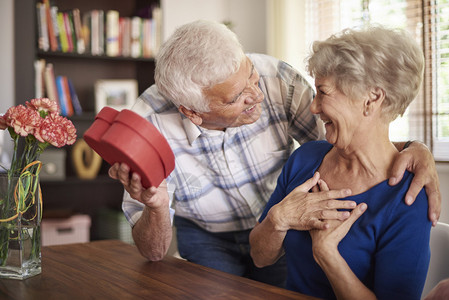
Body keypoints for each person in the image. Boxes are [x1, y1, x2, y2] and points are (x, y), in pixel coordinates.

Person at [108, 20, 440, 287]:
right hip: (211, 236)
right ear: (192, 111)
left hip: (279, 230)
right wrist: (156, 206)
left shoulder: (278, 81)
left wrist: (414, 149)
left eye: (251, 74)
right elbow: (152, 252)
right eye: (237, 96)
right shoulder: (148, 127)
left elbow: (351, 136)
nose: (257, 95)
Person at [249, 26, 432, 299]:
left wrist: (326, 254)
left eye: (323, 92)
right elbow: (260, 258)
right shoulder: (305, 158)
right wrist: (278, 219)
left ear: (371, 99)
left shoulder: (408, 198)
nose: (313, 107)